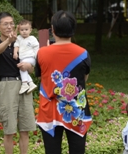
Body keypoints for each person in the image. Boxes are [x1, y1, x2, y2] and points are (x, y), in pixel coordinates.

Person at [35, 10, 92, 154]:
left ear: (53, 29)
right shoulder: (83, 53)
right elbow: (84, 78)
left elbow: (40, 76)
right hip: (76, 111)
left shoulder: (42, 52)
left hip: (49, 111)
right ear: (74, 29)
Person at [0, 12, 36, 154]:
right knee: (9, 130)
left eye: (11, 23)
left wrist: (29, 67)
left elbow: (31, 67)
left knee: (25, 128)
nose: (10, 26)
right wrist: (8, 41)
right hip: (7, 85)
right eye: (5, 24)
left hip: (24, 84)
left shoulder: (21, 42)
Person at [13, 19, 39, 94]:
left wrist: (37, 58)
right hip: (22, 58)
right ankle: (30, 83)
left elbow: (37, 48)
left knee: (22, 68)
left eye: (26, 29)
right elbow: (16, 46)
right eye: (21, 30)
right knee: (22, 69)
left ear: (30, 30)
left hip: (31, 58)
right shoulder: (19, 38)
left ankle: (24, 84)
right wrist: (15, 53)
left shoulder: (32, 39)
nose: (24, 31)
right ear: (19, 30)